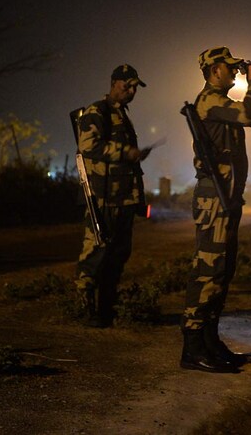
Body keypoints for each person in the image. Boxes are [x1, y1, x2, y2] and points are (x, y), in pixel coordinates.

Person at [180, 46, 251, 372]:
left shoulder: (219, 101)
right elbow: (250, 116)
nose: (235, 72)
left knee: (222, 271)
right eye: (229, 67)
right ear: (215, 69)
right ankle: (192, 346)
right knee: (207, 271)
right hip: (213, 196)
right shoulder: (210, 101)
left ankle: (210, 341)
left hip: (226, 196)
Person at [73, 64, 150, 327]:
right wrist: (124, 152)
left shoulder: (122, 115)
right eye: (126, 85)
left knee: (117, 257)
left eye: (134, 88)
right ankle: (86, 311)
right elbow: (88, 146)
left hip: (124, 199)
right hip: (103, 199)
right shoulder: (98, 111)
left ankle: (107, 309)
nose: (130, 91)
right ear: (113, 83)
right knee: (94, 255)